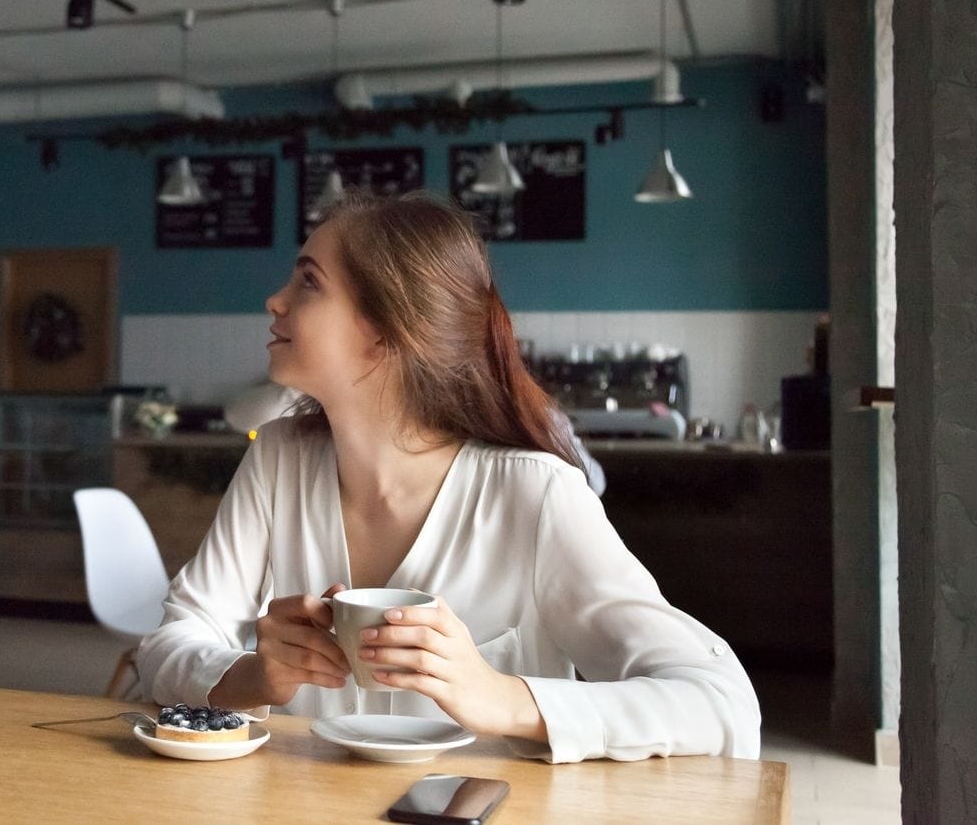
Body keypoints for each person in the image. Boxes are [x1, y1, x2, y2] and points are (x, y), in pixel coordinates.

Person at [137, 191, 759, 762]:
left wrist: (500, 695)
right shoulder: (277, 459)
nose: (275, 300)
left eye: (308, 282)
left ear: (387, 331)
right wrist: (256, 674)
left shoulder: (535, 493)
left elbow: (722, 703)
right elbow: (169, 643)